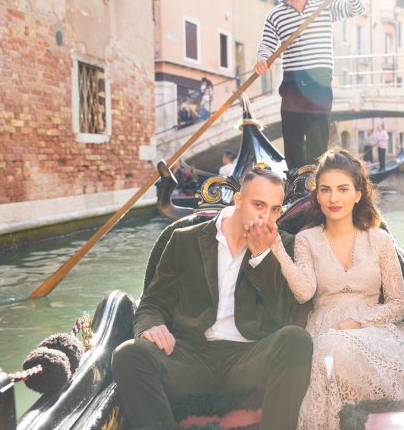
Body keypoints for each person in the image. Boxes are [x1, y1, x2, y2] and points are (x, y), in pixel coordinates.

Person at [111, 167, 313, 430]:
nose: (266, 217)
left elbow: (286, 317)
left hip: (250, 357)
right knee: (128, 354)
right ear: (238, 201)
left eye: (275, 209)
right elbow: (152, 303)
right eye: (258, 205)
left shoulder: (283, 246)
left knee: (296, 340)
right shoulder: (184, 240)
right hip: (191, 356)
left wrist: (262, 257)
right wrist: (150, 326)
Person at [253, 148, 404, 429]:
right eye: (325, 189)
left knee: (337, 348)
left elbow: (398, 305)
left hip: (374, 330)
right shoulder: (306, 240)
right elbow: (304, 293)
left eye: (342, 189)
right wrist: (277, 248)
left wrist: (357, 322)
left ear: (358, 193)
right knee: (331, 347)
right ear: (316, 195)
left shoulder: (380, 240)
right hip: (324, 328)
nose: (333, 198)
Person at [255, 0, 366, 170]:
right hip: (291, 84)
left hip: (319, 83)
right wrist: (262, 59)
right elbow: (266, 46)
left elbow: (357, 9)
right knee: (293, 143)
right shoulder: (275, 15)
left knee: (317, 143)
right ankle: (298, 189)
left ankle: (316, 188)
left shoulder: (326, 4)